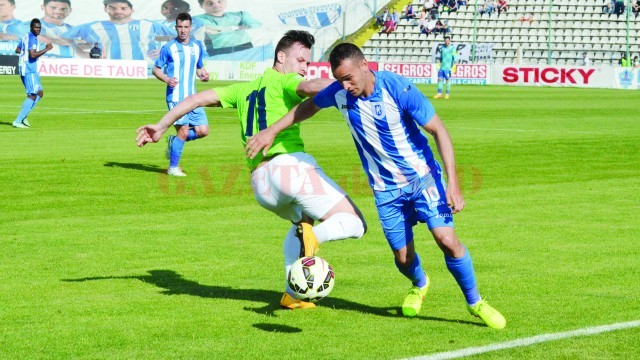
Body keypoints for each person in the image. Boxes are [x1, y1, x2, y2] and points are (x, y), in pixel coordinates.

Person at [245, 43, 506, 329]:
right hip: (386, 191)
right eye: (339, 80)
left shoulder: (398, 88)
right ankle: (420, 284)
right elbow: (307, 108)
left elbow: (438, 130)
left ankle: (475, 302)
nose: (345, 85)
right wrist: (272, 131)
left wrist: (453, 184)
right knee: (403, 258)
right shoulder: (340, 93)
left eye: (349, 78)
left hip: (423, 178)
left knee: (446, 240)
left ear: (364, 65)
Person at [136, 30, 367, 309]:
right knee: (354, 223)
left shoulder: (243, 89)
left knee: (301, 224)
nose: (305, 67)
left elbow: (195, 100)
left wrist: (161, 126)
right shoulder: (286, 81)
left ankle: (292, 294)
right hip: (288, 168)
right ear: (281, 57)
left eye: (307, 62)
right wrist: (348, 81)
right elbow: (309, 88)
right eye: (301, 60)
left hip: (261, 183)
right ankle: (315, 239)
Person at [152, 13, 209, 177]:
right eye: (179, 27)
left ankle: (174, 141)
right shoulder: (169, 47)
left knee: (203, 131)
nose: (183, 30)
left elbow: (199, 68)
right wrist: (166, 79)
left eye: (186, 27)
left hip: (193, 98)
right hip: (176, 97)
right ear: (176, 27)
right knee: (183, 131)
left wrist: (204, 75)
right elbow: (156, 69)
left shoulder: (197, 46)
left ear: (191, 28)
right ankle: (173, 168)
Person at [62, 0, 172, 60]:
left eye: (123, 8)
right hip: (108, 70)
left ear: (131, 10)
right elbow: (62, 38)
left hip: (143, 71)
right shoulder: (92, 26)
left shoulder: (148, 25)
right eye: (113, 8)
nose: (118, 11)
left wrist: (165, 51)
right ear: (106, 9)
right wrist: (80, 52)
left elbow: (183, 36)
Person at [195, 0, 272, 61]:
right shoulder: (198, 19)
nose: (217, 5)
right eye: (210, 3)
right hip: (219, 51)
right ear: (201, 6)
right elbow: (214, 29)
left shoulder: (240, 14)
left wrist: (229, 29)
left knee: (247, 72)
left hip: (246, 47)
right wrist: (240, 27)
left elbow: (256, 25)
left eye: (219, 1)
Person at [12, 19, 53, 129]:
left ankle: (23, 116)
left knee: (39, 93)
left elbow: (17, 49)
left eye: (39, 27)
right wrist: (46, 49)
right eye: (36, 27)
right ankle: (18, 120)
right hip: (29, 69)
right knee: (33, 95)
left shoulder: (26, 36)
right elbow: (33, 55)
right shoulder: (32, 39)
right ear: (31, 27)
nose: (38, 29)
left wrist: (24, 54)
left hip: (26, 67)